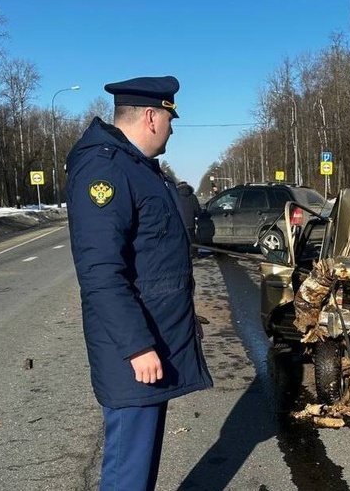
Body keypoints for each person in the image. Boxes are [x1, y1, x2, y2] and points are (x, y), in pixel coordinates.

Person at [65, 75, 212, 491]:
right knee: (128, 473)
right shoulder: (106, 170)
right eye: (170, 117)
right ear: (151, 117)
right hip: (134, 351)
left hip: (154, 337)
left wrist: (185, 320)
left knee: (140, 469)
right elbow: (100, 273)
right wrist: (138, 345)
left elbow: (152, 263)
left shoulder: (137, 167)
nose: (173, 127)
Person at [175, 180, 201, 257]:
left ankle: (183, 254)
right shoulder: (193, 196)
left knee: (181, 239)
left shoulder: (176, 196)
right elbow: (197, 209)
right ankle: (194, 253)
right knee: (192, 238)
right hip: (190, 222)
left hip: (179, 222)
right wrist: (197, 216)